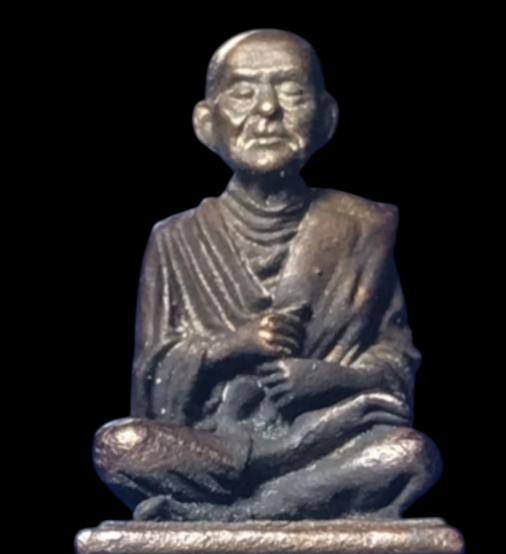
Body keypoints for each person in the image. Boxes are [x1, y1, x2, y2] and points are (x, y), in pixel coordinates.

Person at [93, 28, 443, 521]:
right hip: (216, 448)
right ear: (206, 123)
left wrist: (330, 378)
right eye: (242, 92)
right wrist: (228, 346)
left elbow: (395, 362)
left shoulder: (362, 228)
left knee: (409, 453)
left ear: (326, 118)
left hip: (325, 436)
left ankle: (242, 512)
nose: (267, 109)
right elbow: (152, 382)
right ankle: (280, 499)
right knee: (121, 445)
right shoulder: (176, 237)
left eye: (291, 91)